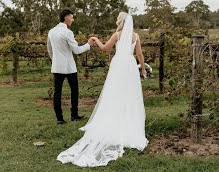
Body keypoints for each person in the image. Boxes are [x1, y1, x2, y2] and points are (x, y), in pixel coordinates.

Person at [57, 12, 148, 167]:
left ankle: (115, 119)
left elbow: (105, 48)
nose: (116, 20)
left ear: (121, 22)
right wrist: (143, 69)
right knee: (130, 95)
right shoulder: (136, 36)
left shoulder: (117, 35)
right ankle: (129, 123)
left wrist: (95, 40)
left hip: (119, 64)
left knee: (114, 94)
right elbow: (139, 53)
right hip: (130, 65)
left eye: (117, 18)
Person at [47, 9, 94, 124]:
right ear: (66, 17)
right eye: (72, 17)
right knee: (74, 91)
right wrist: (88, 45)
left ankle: (59, 119)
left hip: (57, 67)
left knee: (57, 92)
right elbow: (77, 50)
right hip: (69, 67)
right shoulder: (68, 33)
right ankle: (74, 115)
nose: (73, 20)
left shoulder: (51, 32)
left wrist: (55, 60)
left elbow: (49, 49)